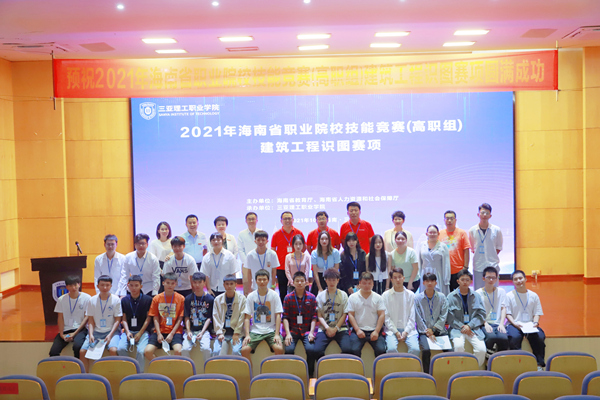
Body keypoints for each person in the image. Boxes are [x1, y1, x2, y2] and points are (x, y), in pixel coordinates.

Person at [80, 275, 122, 372]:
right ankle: (85, 376)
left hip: (112, 331)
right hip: (96, 332)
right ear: (97, 286)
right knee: (82, 351)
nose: (105, 287)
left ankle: (114, 374)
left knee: (113, 350)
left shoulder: (116, 299)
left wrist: (110, 335)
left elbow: (117, 320)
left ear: (111, 286)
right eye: (102, 285)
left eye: (107, 285)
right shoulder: (92, 300)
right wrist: (91, 334)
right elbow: (90, 320)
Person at [241, 270, 284, 365]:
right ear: (255, 281)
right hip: (255, 330)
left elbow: (278, 315)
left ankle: (275, 372)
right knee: (244, 350)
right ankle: (250, 372)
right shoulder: (251, 296)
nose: (262, 282)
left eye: (264, 279)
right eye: (259, 279)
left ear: (268, 280)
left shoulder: (274, 295)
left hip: (271, 330)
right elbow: (247, 317)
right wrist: (247, 335)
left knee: (279, 349)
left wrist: (277, 334)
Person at [505, 270, 546, 370]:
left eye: (520, 278)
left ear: (525, 279)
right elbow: (507, 314)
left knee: (540, 337)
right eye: (515, 279)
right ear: (513, 282)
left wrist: (535, 322)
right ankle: (518, 365)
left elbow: (537, 312)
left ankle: (539, 365)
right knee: (514, 338)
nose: (518, 281)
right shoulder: (509, 296)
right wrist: (515, 324)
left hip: (530, 325)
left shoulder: (534, 295)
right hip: (514, 324)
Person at [446, 270, 487, 367]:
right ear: (458, 281)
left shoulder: (476, 296)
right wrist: (463, 326)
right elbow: (449, 316)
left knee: (481, 350)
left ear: (471, 281)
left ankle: (472, 368)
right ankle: (460, 369)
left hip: (473, 329)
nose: (465, 282)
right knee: (458, 346)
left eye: (467, 280)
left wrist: (469, 326)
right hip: (457, 329)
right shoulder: (451, 297)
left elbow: (481, 314)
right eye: (462, 279)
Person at [314, 268, 352, 367]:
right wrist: (327, 328)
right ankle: (325, 369)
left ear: (338, 280)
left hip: (341, 328)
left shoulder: (343, 295)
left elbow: (345, 314)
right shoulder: (320, 296)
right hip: (324, 328)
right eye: (329, 280)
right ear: (325, 280)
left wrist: (335, 329)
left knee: (348, 349)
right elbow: (319, 315)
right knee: (316, 350)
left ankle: (341, 369)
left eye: (334, 280)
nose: (332, 282)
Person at [282, 271, 318, 377]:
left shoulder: (312, 297)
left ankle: (310, 375)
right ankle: (291, 375)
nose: (299, 283)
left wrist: (311, 332)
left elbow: (314, 317)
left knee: (311, 350)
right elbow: (285, 317)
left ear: (306, 282)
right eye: (297, 281)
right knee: (288, 350)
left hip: (306, 330)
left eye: (302, 281)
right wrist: (288, 334)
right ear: (292, 283)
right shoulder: (288, 298)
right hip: (293, 330)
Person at [144, 273, 185, 359]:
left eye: (172, 283)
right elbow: (155, 317)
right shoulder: (156, 298)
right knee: (147, 352)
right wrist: (159, 333)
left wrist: (172, 334)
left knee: (178, 351)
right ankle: (160, 365)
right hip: (159, 331)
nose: (170, 285)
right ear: (163, 283)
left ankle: (172, 367)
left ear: (175, 284)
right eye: (168, 283)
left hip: (175, 331)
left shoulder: (181, 298)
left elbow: (180, 318)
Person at [49, 275, 91, 359]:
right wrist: (61, 334)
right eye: (71, 285)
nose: (74, 288)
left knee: (77, 347)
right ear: (67, 287)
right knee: (53, 352)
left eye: (75, 285)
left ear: (79, 284)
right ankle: (59, 367)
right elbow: (60, 318)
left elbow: (86, 317)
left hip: (80, 330)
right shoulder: (61, 299)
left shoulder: (87, 298)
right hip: (66, 329)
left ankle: (77, 366)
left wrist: (74, 333)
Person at [415, 273, 449, 373]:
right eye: (427, 281)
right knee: (426, 350)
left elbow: (443, 316)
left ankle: (447, 374)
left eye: (432, 281)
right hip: (424, 331)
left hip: (439, 330)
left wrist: (433, 330)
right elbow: (418, 317)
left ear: (436, 283)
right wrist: (428, 332)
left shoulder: (442, 297)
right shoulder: (417, 298)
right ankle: (427, 374)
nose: (429, 283)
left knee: (450, 351)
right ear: (423, 283)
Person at [117, 275, 153, 371]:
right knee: (120, 349)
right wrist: (127, 332)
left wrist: (140, 333)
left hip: (143, 332)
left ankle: (139, 373)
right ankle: (128, 369)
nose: (134, 288)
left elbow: (148, 318)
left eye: (136, 285)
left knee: (141, 351)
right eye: (131, 285)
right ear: (128, 286)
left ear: (141, 286)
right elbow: (123, 319)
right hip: (128, 331)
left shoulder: (148, 299)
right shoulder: (124, 300)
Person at [347, 272, 386, 357]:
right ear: (359, 283)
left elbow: (381, 315)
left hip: (374, 330)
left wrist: (376, 331)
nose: (367, 286)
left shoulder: (378, 298)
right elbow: (350, 315)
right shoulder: (352, 297)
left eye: (369, 283)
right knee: (353, 350)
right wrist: (357, 330)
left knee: (381, 350)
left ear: (373, 284)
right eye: (364, 283)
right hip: (358, 330)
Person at [382, 268, 419, 356]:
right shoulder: (385, 295)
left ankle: (409, 366)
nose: (398, 280)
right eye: (395, 278)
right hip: (391, 330)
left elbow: (412, 317)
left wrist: (406, 332)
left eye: (399, 277)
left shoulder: (411, 295)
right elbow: (386, 317)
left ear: (403, 278)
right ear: (391, 280)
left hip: (409, 330)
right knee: (391, 349)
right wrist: (396, 332)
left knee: (415, 349)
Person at [271, 211, 305, 305]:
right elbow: (273, 251)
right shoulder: (276, 234)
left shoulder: (298, 232)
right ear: (281, 221)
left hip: (295, 267)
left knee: (297, 290)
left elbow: (304, 248)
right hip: (281, 267)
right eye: (285, 218)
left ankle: (297, 308)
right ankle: (284, 309)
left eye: (289, 218)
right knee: (282, 291)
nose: (287, 220)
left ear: (293, 220)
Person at [475, 266, 509, 356]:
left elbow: (503, 308)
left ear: (497, 279)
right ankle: (488, 357)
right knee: (491, 337)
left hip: (497, 323)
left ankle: (501, 358)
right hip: (484, 323)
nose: (491, 280)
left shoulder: (501, 291)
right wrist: (485, 323)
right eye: (488, 277)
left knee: (504, 338)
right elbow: (477, 311)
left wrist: (501, 324)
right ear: (483, 278)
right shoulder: (478, 293)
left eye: (493, 278)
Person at [468, 203, 503, 290]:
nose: (484, 215)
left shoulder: (496, 230)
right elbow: (473, 249)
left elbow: (498, 248)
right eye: (482, 212)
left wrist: (491, 255)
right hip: (478, 265)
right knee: (478, 291)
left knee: (493, 291)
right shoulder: (472, 230)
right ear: (478, 214)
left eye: (487, 213)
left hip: (492, 265)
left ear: (490, 216)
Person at [182, 272, 214, 362]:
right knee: (184, 349)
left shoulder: (210, 299)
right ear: (192, 283)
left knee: (206, 349)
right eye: (195, 282)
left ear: (204, 283)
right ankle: (188, 368)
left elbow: (209, 318)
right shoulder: (188, 299)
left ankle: (208, 368)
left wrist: (202, 332)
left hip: (204, 330)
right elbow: (186, 316)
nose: (197, 285)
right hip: (191, 330)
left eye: (200, 282)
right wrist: (188, 331)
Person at [213, 274, 247, 356]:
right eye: (227, 284)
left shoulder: (242, 299)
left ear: (236, 284)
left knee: (236, 351)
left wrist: (236, 333)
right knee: (216, 351)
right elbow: (215, 317)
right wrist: (219, 333)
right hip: (223, 331)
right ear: (224, 285)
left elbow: (242, 318)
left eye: (231, 284)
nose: (229, 286)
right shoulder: (218, 299)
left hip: (236, 332)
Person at [439, 211, 471, 292]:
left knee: (460, 294)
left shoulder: (462, 233)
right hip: (445, 271)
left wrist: (465, 267)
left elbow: (466, 250)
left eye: (451, 218)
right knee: (447, 294)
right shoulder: (440, 234)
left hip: (459, 270)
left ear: (455, 220)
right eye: (447, 218)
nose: (449, 221)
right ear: (444, 220)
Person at [201, 232, 239, 298]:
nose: (216, 242)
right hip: (213, 290)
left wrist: (233, 288)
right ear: (210, 242)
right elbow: (206, 275)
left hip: (227, 289)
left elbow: (233, 273)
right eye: (213, 240)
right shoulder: (206, 257)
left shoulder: (229, 256)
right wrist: (209, 289)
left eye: (218, 240)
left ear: (222, 241)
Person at [243, 230, 279, 295]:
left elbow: (274, 272)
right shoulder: (250, 255)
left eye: (263, 240)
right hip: (255, 287)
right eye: (258, 240)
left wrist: (273, 286)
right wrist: (249, 288)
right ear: (255, 241)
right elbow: (249, 273)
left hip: (269, 287)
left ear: (267, 241)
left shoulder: (272, 254)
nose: (261, 242)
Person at [418, 225, 451, 295]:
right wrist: (419, 277)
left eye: (434, 232)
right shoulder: (422, 245)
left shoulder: (443, 246)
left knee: (439, 296)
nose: (432, 234)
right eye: (430, 232)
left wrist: (446, 279)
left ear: (438, 233)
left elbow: (446, 264)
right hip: (425, 273)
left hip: (438, 274)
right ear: (427, 234)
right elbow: (419, 262)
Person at [310, 230, 341, 295]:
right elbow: (315, 272)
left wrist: (333, 285)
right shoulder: (314, 253)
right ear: (319, 240)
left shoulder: (335, 252)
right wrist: (320, 288)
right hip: (319, 279)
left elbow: (336, 270)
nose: (324, 241)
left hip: (332, 278)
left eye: (326, 239)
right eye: (322, 239)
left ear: (329, 240)